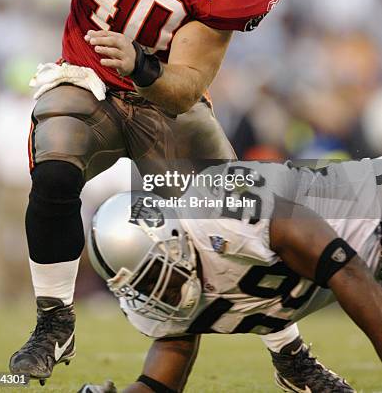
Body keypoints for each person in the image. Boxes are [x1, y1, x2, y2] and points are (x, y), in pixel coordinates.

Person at [0, 0, 288, 383]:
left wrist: (143, 64)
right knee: (55, 159)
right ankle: (53, 320)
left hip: (165, 99)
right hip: (88, 76)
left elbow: (186, 83)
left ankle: (291, 348)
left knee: (231, 228)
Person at [81, 158, 382, 393]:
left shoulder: (221, 214)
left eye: (152, 277)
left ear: (171, 241)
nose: (154, 295)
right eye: (141, 289)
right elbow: (159, 384)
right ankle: (293, 364)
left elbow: (347, 269)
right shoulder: (155, 305)